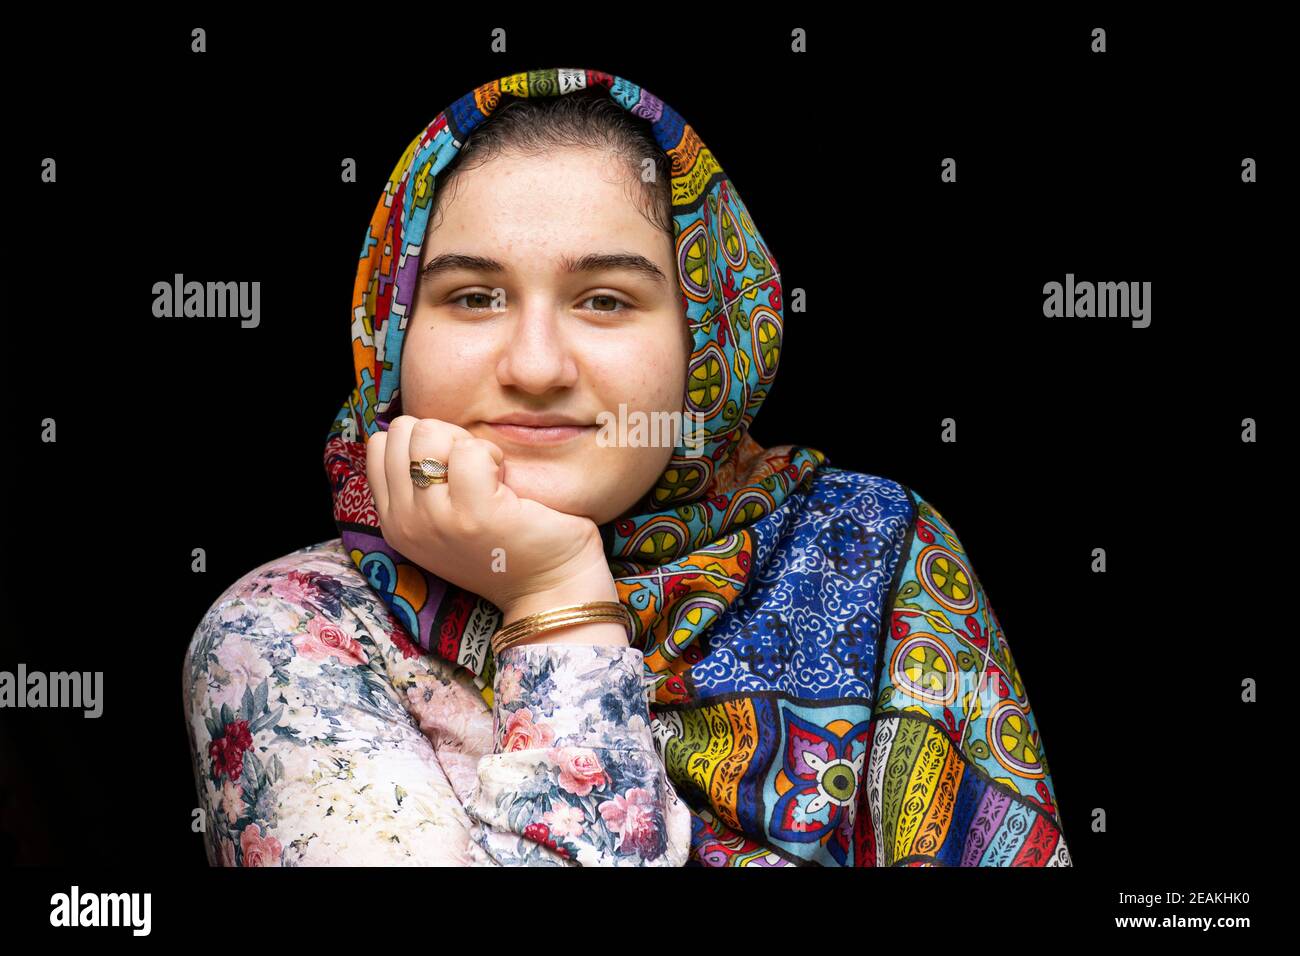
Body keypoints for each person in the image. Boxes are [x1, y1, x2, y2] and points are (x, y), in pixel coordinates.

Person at [182, 67, 1071, 867]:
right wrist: (554, 599)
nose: (535, 367)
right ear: (394, 332)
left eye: (604, 300)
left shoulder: (870, 553)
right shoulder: (288, 634)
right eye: (472, 297)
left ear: (706, 342)